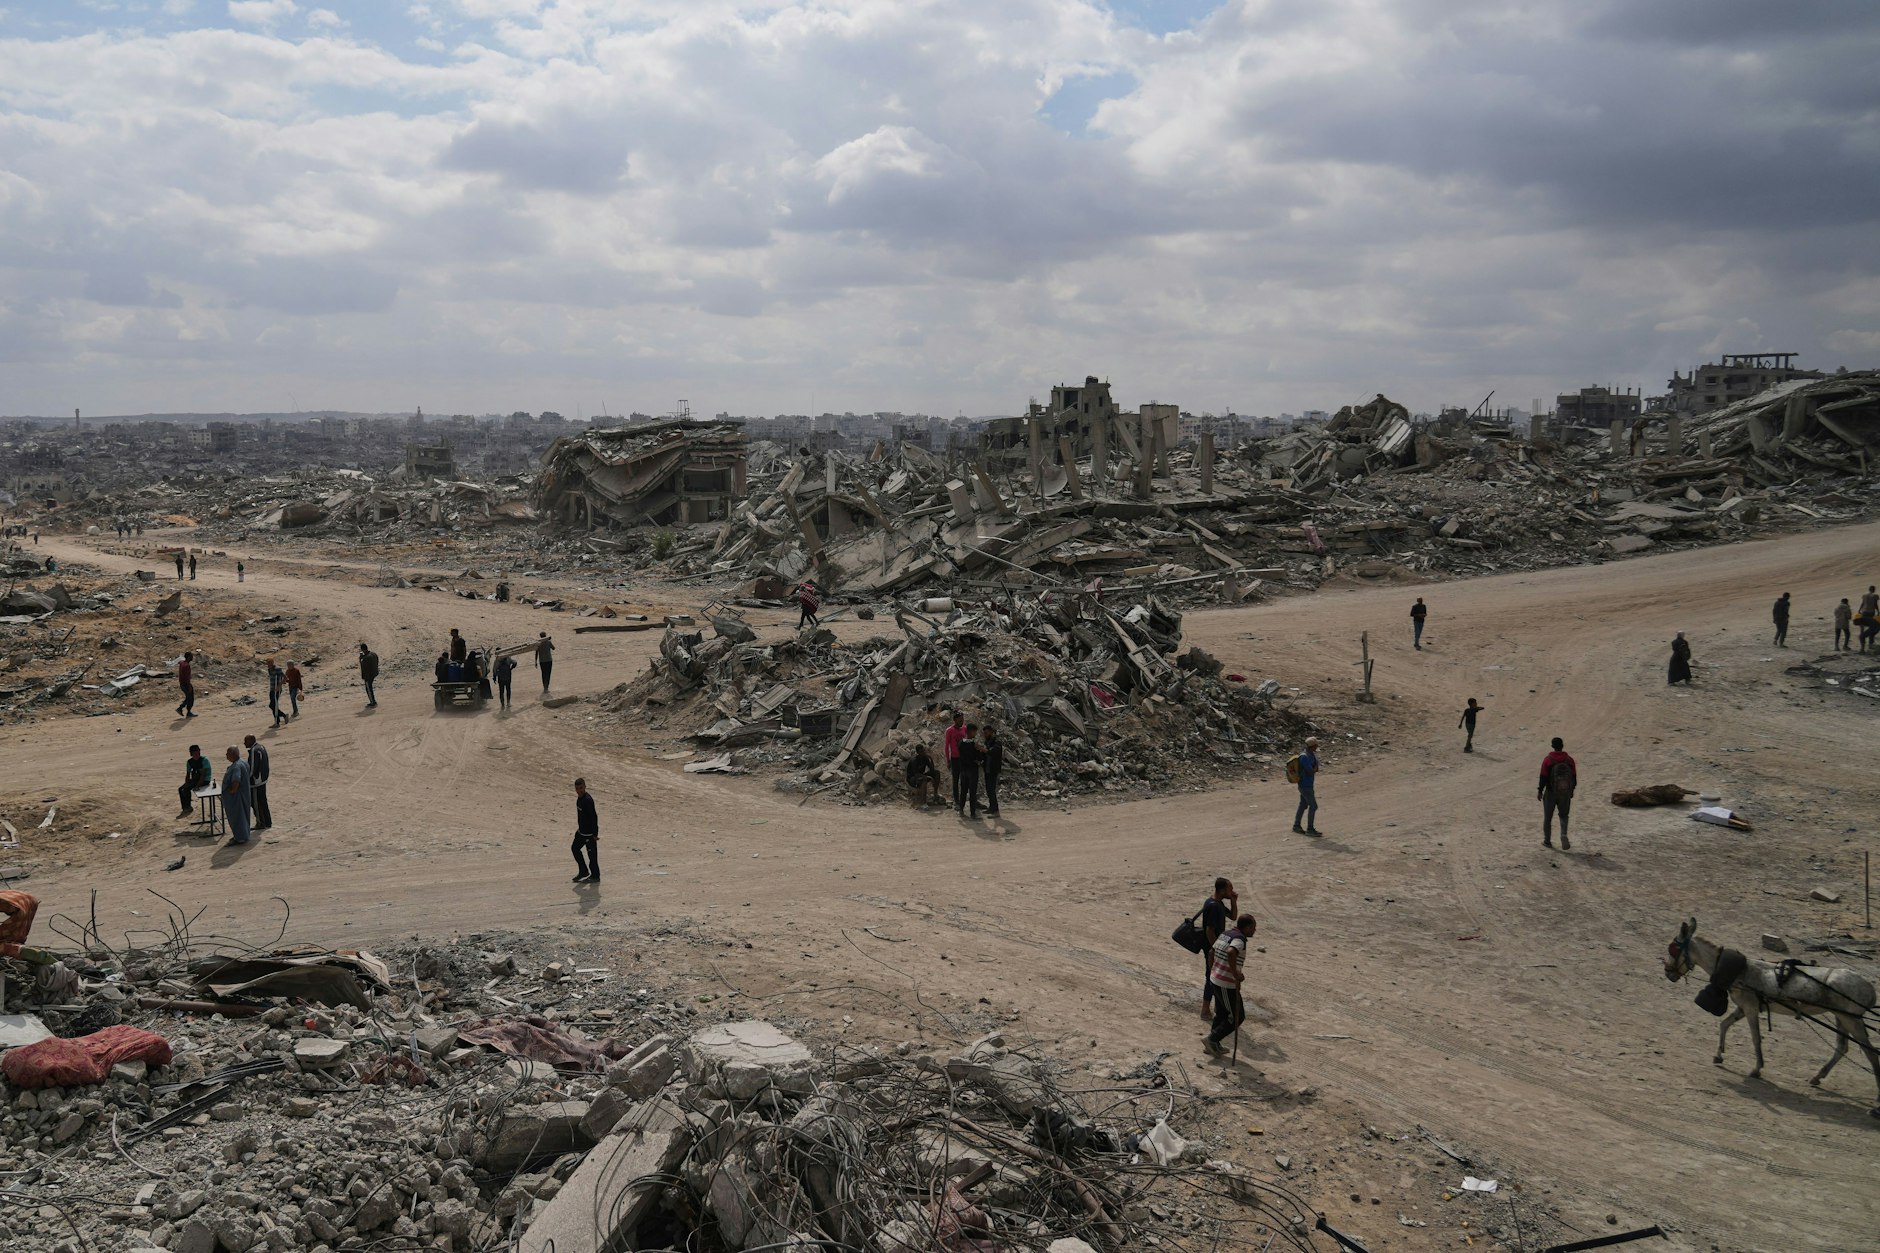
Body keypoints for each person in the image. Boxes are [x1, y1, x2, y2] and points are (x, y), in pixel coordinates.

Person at [1203, 913, 1256, 1056]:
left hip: (1215, 979)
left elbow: (1211, 952)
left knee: (1221, 1014)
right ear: (1247, 927)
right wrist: (1235, 974)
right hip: (1226, 984)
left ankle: (1212, 1045)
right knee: (1237, 1016)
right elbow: (1231, 952)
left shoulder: (1225, 934)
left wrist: (1214, 970)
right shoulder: (1239, 939)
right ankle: (1212, 1039)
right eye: (1253, 928)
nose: (1254, 931)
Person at [1198, 877, 1238, 1020]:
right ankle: (1205, 1010)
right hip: (1211, 947)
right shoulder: (1214, 906)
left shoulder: (1218, 903)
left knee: (1216, 976)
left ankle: (1216, 1007)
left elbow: (1233, 916)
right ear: (1222, 891)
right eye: (1230, 889)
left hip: (1214, 946)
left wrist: (1233, 901)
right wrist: (1216, 949)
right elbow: (1209, 931)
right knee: (1212, 977)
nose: (1232, 891)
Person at [1538, 737, 1576, 850]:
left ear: (1552, 747)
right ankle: (1563, 834)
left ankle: (1547, 841)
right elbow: (1574, 777)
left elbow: (1543, 777)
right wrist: (1571, 791)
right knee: (1564, 815)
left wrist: (1540, 791)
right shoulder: (1570, 760)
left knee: (1548, 818)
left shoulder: (1548, 760)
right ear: (1562, 746)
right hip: (1565, 792)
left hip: (1550, 792)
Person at [221, 746, 252, 846]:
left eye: (228, 753)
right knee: (243, 816)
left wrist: (230, 790)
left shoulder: (236, 767)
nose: (226, 755)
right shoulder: (243, 762)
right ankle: (243, 835)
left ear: (233, 754)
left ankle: (240, 838)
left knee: (237, 818)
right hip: (244, 795)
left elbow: (235, 782)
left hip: (236, 798)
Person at [572, 777, 599, 883]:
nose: (579, 790)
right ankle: (583, 871)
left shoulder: (588, 800)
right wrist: (579, 829)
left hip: (589, 834)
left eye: (581, 788)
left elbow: (594, 817)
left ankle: (595, 876)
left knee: (592, 857)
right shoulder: (579, 799)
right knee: (575, 848)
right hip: (581, 832)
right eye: (577, 788)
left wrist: (595, 834)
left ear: (585, 787)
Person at [1291, 736, 1321, 835]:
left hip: (1307, 784)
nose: (1317, 746)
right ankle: (1310, 829)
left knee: (1303, 804)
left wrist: (1314, 769)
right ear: (1313, 746)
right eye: (1316, 745)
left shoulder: (1311, 755)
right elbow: (1311, 771)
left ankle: (1296, 826)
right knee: (1313, 806)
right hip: (1305, 785)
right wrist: (1314, 768)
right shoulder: (1304, 756)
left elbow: (1315, 769)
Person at [244, 734, 272, 831]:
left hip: (256, 782)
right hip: (263, 779)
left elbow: (252, 768)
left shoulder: (254, 751)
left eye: (246, 741)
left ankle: (261, 823)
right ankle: (267, 821)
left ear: (251, 741)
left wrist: (246, 779)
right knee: (263, 801)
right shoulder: (261, 747)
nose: (244, 743)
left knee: (256, 803)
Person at [956, 722, 984, 819]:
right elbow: (979, 758)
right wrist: (980, 751)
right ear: (971, 731)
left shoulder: (960, 743)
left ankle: (961, 810)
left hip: (963, 770)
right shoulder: (974, 744)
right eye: (975, 732)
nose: (975, 734)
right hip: (972, 770)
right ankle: (972, 813)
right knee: (972, 792)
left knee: (963, 791)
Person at [177, 744, 211, 818]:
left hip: (205, 780)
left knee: (186, 789)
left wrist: (197, 786)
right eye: (194, 754)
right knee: (181, 789)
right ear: (191, 754)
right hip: (195, 779)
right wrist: (186, 782)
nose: (196, 755)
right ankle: (185, 807)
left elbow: (203, 775)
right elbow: (188, 774)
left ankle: (188, 807)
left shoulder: (204, 760)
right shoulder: (189, 762)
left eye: (197, 753)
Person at [943, 710, 967, 810]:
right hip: (955, 759)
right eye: (960, 720)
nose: (962, 721)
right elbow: (946, 746)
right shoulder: (950, 730)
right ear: (955, 720)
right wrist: (948, 760)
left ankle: (962, 801)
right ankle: (957, 801)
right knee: (955, 781)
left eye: (962, 720)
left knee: (964, 780)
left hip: (964, 758)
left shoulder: (964, 728)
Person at [982, 725, 1005, 817]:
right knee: (989, 789)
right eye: (984, 733)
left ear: (991, 732)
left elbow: (994, 752)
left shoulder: (997, 742)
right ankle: (992, 807)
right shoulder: (987, 742)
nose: (985, 735)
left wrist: (985, 750)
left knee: (991, 790)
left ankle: (995, 810)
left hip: (993, 769)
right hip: (987, 769)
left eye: (986, 733)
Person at [266, 659, 287, 728]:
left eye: (270, 662)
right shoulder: (269, 670)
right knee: (274, 706)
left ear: (272, 662)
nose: (268, 664)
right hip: (272, 690)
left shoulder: (278, 669)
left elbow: (285, 678)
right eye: (267, 663)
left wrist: (279, 685)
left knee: (272, 705)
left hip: (277, 690)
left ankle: (283, 716)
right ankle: (277, 722)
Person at [175, 650, 196, 718]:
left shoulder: (182, 663)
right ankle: (185, 710)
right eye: (191, 656)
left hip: (182, 683)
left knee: (188, 697)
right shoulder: (186, 665)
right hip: (186, 684)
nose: (192, 657)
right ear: (189, 657)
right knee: (190, 698)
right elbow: (186, 677)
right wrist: (189, 685)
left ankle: (181, 708)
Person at [358, 643, 379, 707]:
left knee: (368, 689)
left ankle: (372, 702)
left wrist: (361, 658)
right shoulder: (373, 654)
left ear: (362, 649)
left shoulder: (366, 658)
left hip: (369, 675)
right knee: (370, 687)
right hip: (374, 673)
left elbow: (364, 668)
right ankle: (373, 701)